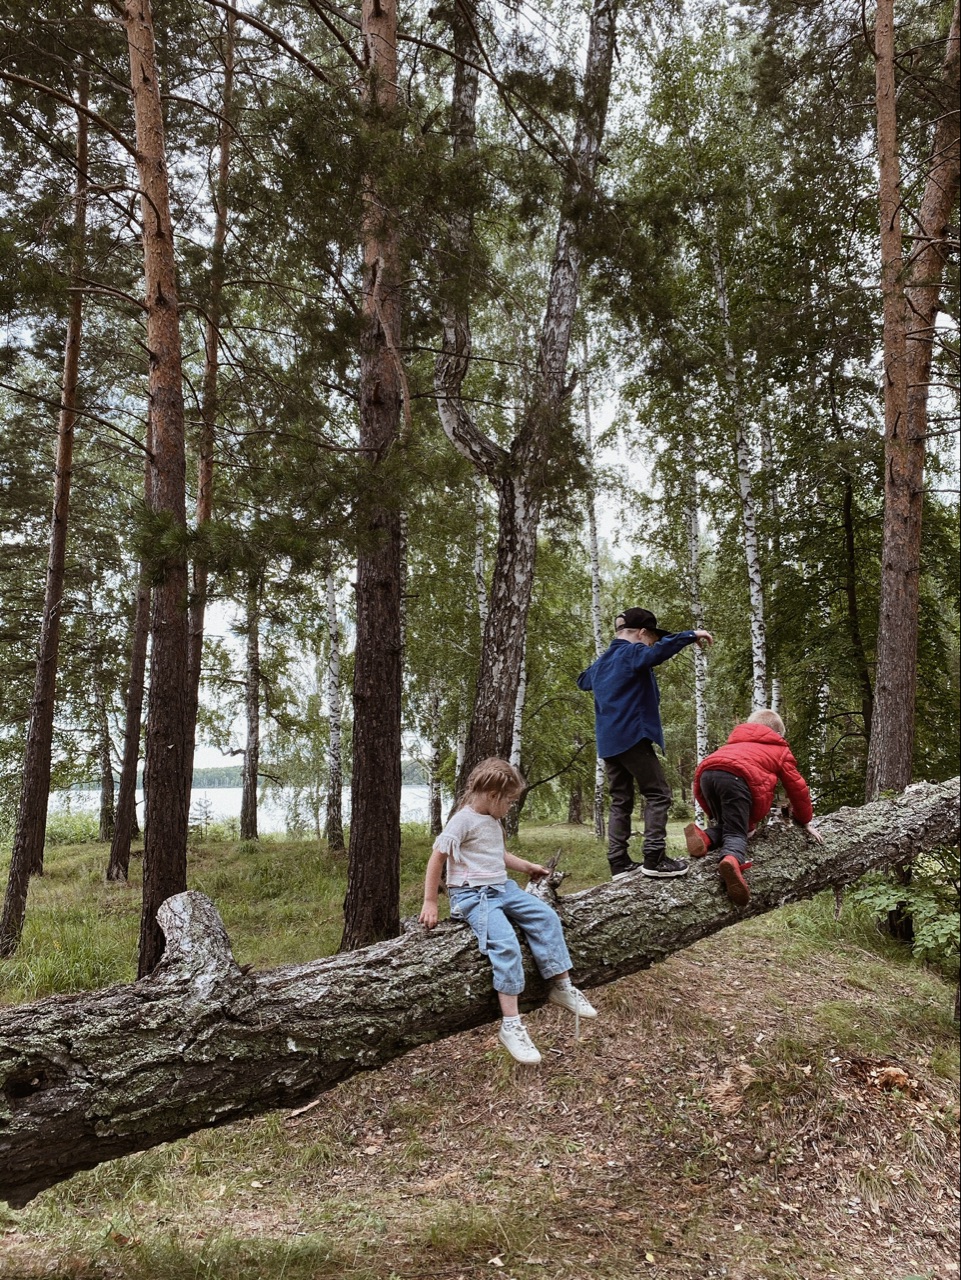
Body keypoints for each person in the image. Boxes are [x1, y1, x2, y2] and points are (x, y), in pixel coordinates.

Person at [419, 757, 596, 1065]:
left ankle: (562, 986)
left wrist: (526, 866)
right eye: (511, 801)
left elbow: (496, 854)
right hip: (473, 896)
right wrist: (431, 901)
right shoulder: (462, 820)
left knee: (546, 917)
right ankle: (511, 1025)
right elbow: (437, 859)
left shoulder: (491, 820)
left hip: (503, 889)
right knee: (507, 945)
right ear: (493, 795)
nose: (512, 806)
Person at [577, 607, 714, 880]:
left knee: (621, 800)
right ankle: (654, 857)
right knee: (658, 793)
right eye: (651, 637)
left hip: (608, 743)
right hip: (632, 736)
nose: (651, 643)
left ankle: (618, 862)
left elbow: (583, 681)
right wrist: (690, 635)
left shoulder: (604, 661)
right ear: (641, 633)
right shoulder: (631, 652)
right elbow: (654, 654)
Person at [686, 708, 823, 906]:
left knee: (732, 824)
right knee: (736, 833)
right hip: (736, 779)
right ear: (777, 734)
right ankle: (732, 861)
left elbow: (705, 781)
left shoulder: (732, 744)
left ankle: (704, 838)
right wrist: (806, 820)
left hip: (707, 775)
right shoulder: (778, 749)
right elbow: (797, 788)